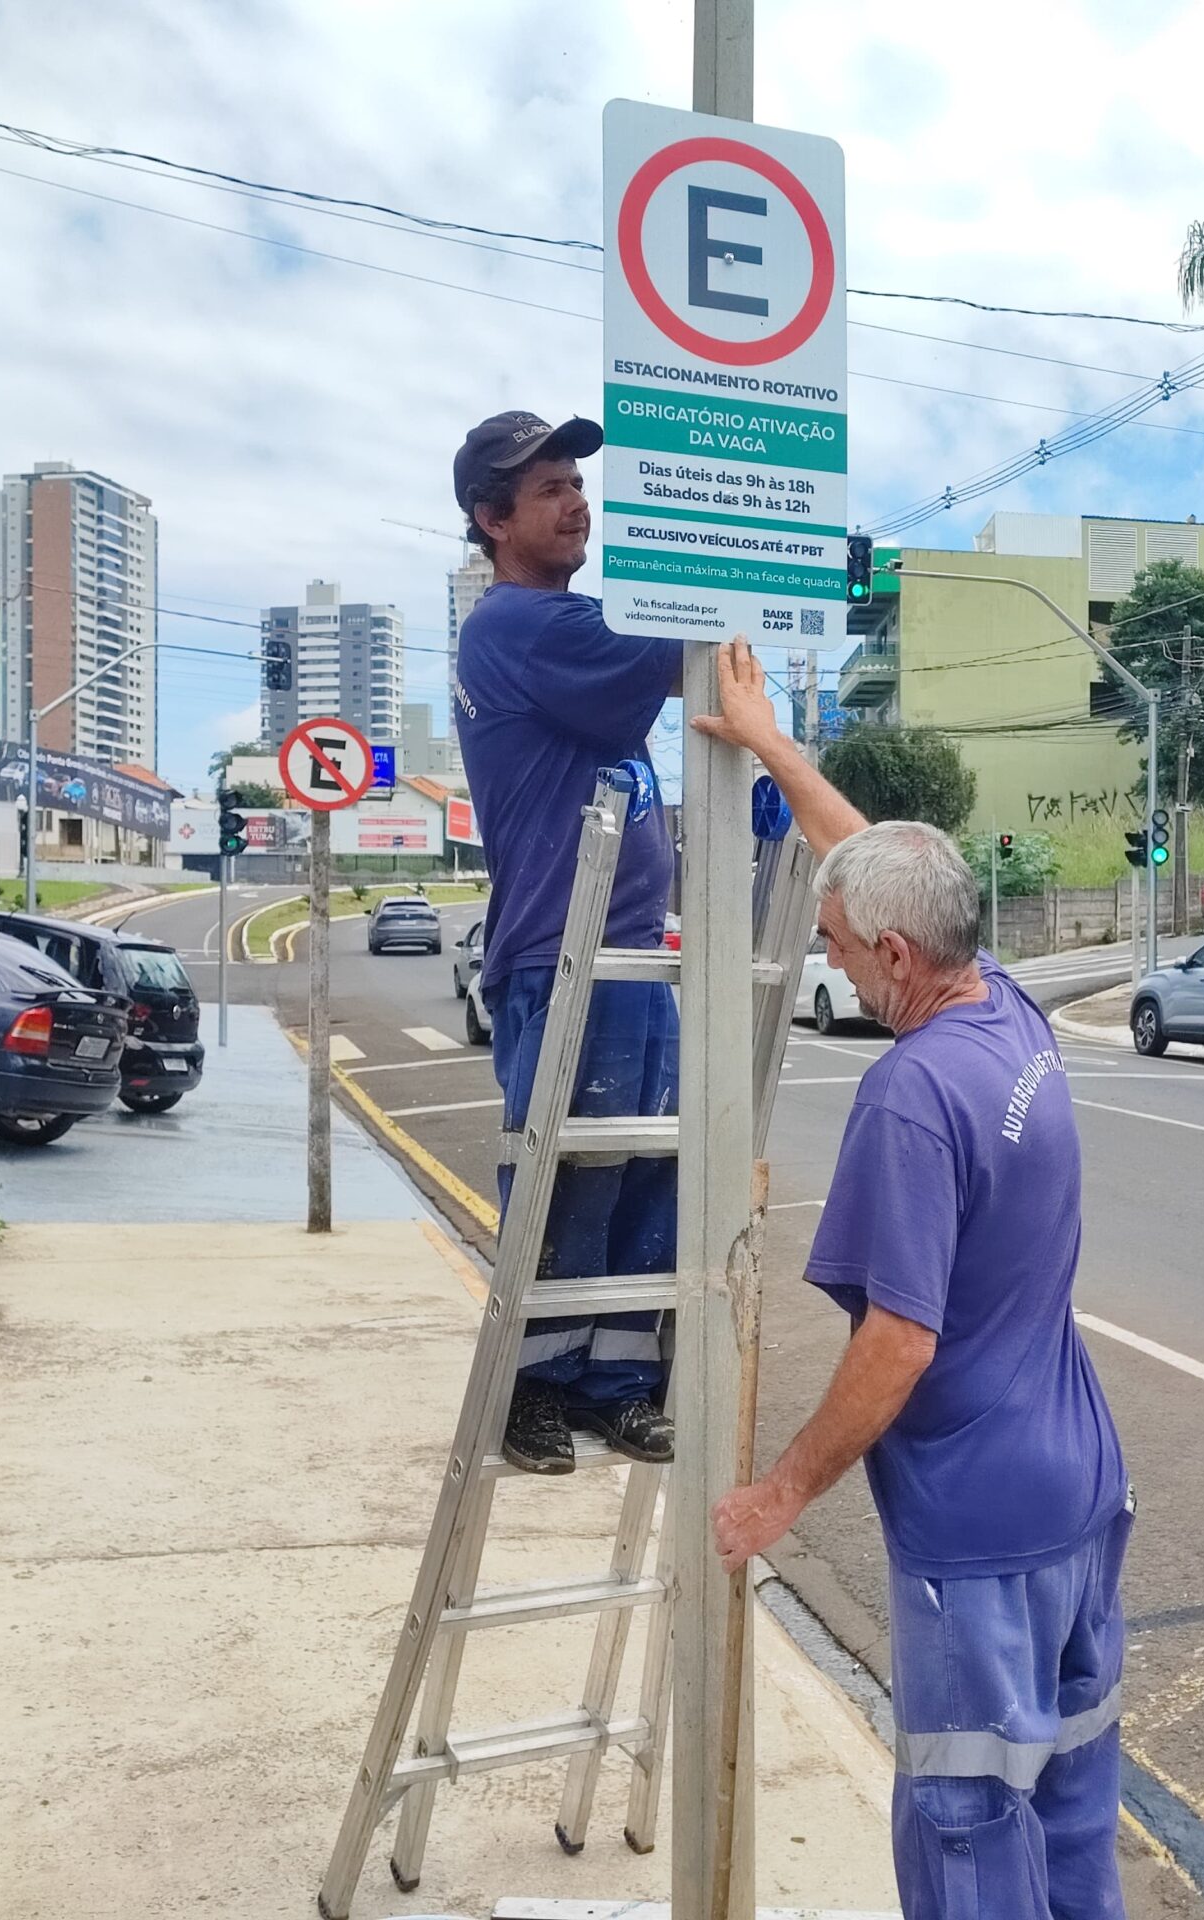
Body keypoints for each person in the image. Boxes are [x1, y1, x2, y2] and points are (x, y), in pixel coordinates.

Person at [693, 640, 1132, 1920]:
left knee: (964, 1819)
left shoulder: (912, 1096)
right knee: (1066, 1788)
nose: (827, 963)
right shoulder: (1003, 1011)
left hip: (978, 1533)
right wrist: (774, 749)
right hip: (1082, 1487)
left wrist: (778, 1493)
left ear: (892, 955)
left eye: (834, 948)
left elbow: (898, 1343)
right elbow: (875, 856)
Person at [450, 409, 683, 1474]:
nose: (575, 501)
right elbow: (665, 640)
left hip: (630, 954)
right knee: (566, 1183)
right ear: (492, 521)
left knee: (641, 1174)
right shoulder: (514, 628)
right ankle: (535, 1388)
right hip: (560, 953)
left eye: (575, 484)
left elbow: (670, 657)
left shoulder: (574, 634)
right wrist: (722, 562)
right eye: (546, 489)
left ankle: (619, 1386)